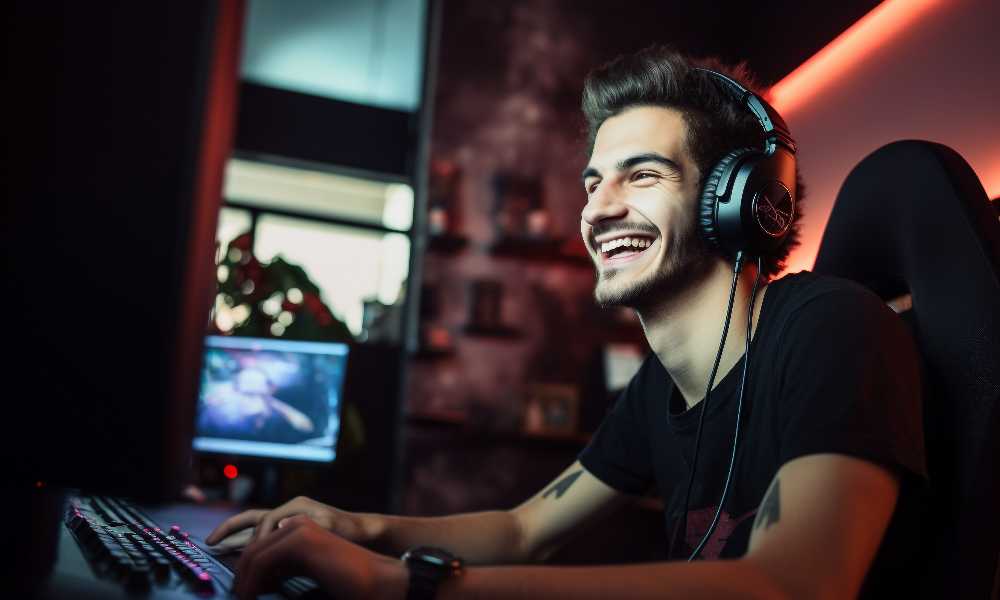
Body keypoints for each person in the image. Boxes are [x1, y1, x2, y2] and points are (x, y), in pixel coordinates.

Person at [206, 46, 926, 600]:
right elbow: (524, 530)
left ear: (739, 203)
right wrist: (356, 526)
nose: (597, 209)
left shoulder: (832, 328)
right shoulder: (660, 388)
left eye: (642, 175)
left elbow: (797, 585)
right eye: (593, 181)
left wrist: (398, 584)